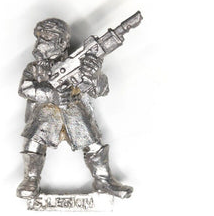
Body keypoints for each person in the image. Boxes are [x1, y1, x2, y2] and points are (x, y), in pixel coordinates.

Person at [17, 17, 132, 199]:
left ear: (62, 43)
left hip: (74, 112)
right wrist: (51, 95)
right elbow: (25, 89)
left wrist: (94, 75)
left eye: (47, 37)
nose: (40, 42)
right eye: (40, 37)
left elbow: (101, 91)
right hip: (46, 114)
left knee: (93, 144)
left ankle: (103, 180)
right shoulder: (35, 68)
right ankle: (31, 179)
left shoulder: (79, 63)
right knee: (34, 142)